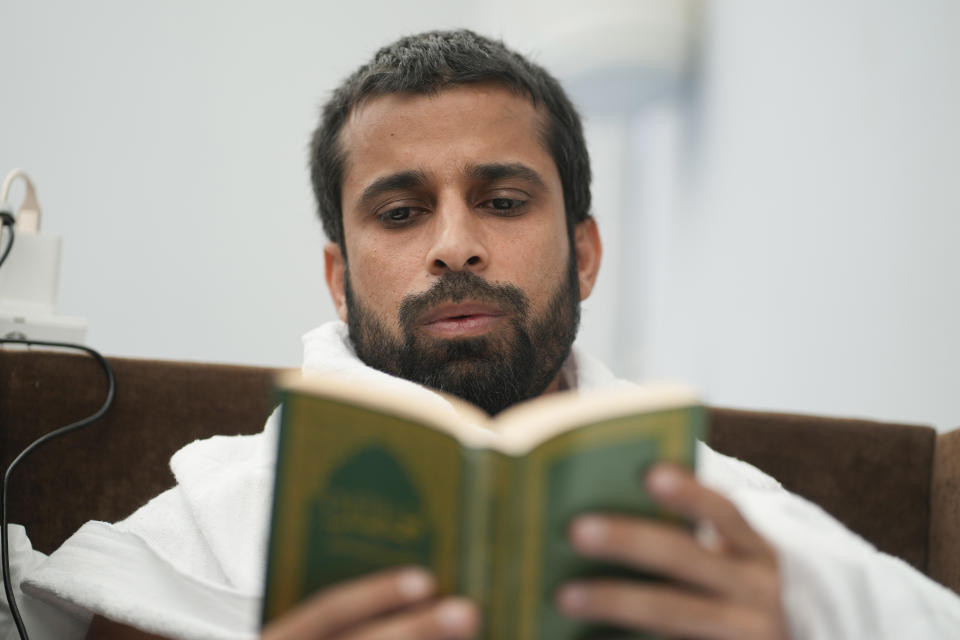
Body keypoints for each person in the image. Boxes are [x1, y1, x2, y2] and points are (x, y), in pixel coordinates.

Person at [10, 29, 960, 640]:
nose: (455, 247)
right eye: (399, 213)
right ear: (340, 280)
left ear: (584, 255)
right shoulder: (207, 523)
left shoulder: (732, 516)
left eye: (502, 201)